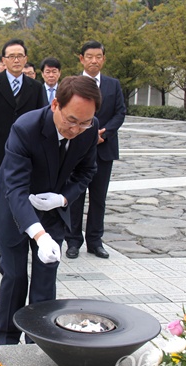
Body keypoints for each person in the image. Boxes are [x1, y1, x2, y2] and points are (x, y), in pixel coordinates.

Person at [0, 75, 101, 345]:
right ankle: (7, 340)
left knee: (45, 278)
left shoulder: (89, 128)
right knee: (15, 276)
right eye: (71, 120)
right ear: (55, 105)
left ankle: (39, 340)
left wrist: (63, 199)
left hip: (52, 209)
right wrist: (38, 236)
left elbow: (87, 171)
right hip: (12, 207)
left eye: (85, 122)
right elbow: (14, 188)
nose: (76, 129)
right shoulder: (26, 127)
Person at [0, 38, 44, 262]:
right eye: (11, 56)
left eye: (20, 56)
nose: (16, 60)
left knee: (20, 194)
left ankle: (20, 238)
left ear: (25, 59)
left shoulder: (36, 86)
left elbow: (42, 121)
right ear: (3, 60)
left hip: (25, 151)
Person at [65, 40, 126, 260]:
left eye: (98, 56)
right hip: (77, 149)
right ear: (81, 58)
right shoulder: (72, 84)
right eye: (89, 56)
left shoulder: (113, 85)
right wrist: (84, 133)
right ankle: (72, 242)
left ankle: (95, 242)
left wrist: (104, 132)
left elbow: (120, 113)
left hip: (104, 149)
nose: (94, 60)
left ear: (103, 58)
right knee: (75, 197)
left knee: (98, 198)